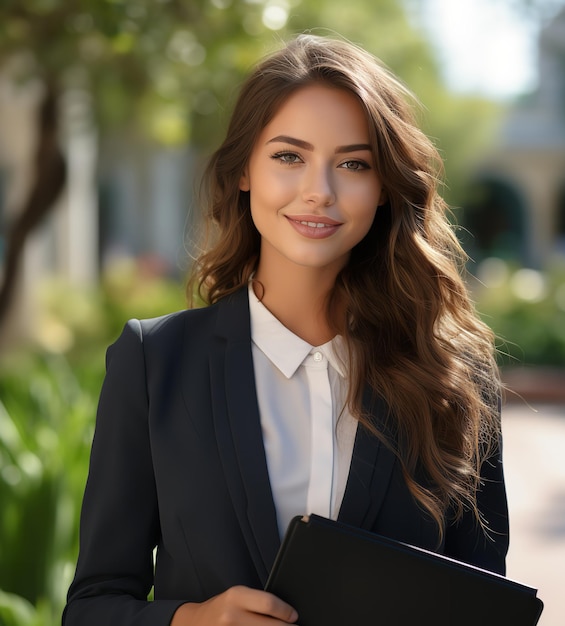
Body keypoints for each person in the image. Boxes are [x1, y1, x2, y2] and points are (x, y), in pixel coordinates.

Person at [63, 33, 509, 626]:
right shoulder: (155, 363)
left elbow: (485, 603)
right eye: (288, 156)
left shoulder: (454, 377)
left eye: (353, 164)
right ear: (244, 169)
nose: (318, 192)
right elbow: (91, 607)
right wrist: (190, 621)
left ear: (383, 191)